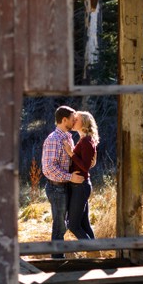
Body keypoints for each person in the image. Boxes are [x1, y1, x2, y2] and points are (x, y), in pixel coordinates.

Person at [42, 105, 84, 258]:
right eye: (72, 120)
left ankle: (60, 256)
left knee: (64, 224)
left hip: (65, 187)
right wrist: (70, 177)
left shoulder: (68, 137)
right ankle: (57, 259)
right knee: (59, 225)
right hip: (56, 187)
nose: (74, 123)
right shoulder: (53, 139)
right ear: (64, 120)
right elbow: (49, 169)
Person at [65, 110, 99, 240]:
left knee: (73, 225)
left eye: (76, 119)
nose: (73, 121)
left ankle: (91, 251)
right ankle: (95, 254)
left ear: (84, 122)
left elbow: (85, 166)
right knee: (84, 224)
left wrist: (70, 153)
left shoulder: (86, 141)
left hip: (81, 186)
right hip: (79, 185)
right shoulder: (83, 140)